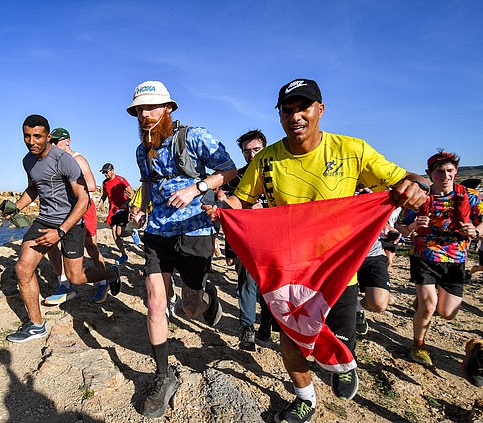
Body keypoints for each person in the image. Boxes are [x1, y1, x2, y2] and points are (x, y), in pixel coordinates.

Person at [206, 78, 429, 423]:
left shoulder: (352, 150)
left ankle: (340, 361)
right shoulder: (266, 160)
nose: (295, 116)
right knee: (291, 339)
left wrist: (417, 185)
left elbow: (406, 179)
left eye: (303, 107)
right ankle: (304, 398)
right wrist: (222, 208)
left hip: (340, 270)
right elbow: (242, 199)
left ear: (320, 110)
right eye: (288, 110)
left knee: (337, 347)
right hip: (289, 272)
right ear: (279, 116)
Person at [127, 80, 236, 418]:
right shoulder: (141, 149)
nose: (145, 114)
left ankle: (207, 296)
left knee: (190, 307)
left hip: (195, 230)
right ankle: (163, 375)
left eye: (151, 107)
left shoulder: (194, 136)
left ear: (168, 109)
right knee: (155, 301)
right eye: (139, 110)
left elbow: (228, 170)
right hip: (158, 232)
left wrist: (196, 188)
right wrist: (141, 207)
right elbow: (147, 183)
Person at [6, 115, 120, 343]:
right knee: (22, 268)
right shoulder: (27, 161)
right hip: (45, 220)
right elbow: (33, 189)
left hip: (71, 222)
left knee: (76, 278)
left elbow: (83, 199)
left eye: (37, 136)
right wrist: (15, 208)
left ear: (48, 136)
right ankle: (36, 325)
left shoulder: (65, 161)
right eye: (27, 136)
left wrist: (60, 232)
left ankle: (111, 274)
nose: (31, 141)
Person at [396, 151, 482, 366]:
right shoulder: (419, 197)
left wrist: (476, 231)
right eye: (439, 172)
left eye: (450, 171)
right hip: (423, 255)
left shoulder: (469, 196)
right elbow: (401, 228)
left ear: (456, 172)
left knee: (447, 313)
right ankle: (418, 345)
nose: (445, 176)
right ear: (429, 174)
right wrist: (414, 226)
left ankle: (425, 303)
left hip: (455, 257)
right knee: (427, 307)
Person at [219, 130, 274, 351]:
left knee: (270, 287)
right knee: (247, 284)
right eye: (246, 151)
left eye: (256, 150)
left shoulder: (277, 173)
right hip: (247, 240)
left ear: (265, 148)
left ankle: (267, 326)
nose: (251, 155)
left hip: (275, 239)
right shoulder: (237, 179)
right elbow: (230, 215)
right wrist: (230, 249)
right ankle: (247, 330)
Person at [43, 128, 110, 304]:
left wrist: (68, 187)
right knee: (51, 244)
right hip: (62, 211)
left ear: (68, 141)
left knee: (90, 245)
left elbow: (92, 185)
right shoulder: (54, 160)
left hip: (84, 208)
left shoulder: (78, 159)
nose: (54, 145)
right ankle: (64, 284)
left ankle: (104, 281)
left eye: (57, 141)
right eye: (53, 142)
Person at [354, 187, 392, 336]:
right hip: (344, 255)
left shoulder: (379, 190)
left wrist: (387, 227)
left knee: (379, 304)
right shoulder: (337, 185)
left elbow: (385, 219)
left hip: (372, 254)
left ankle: (356, 307)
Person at [98, 163, 140, 265]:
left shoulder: (121, 180)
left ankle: (132, 233)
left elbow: (132, 193)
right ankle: (123, 255)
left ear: (112, 170)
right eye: (103, 172)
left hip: (122, 209)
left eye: (106, 172)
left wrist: (125, 204)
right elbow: (104, 195)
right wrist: (100, 204)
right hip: (112, 211)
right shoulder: (105, 183)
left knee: (119, 233)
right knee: (114, 234)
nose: (105, 174)